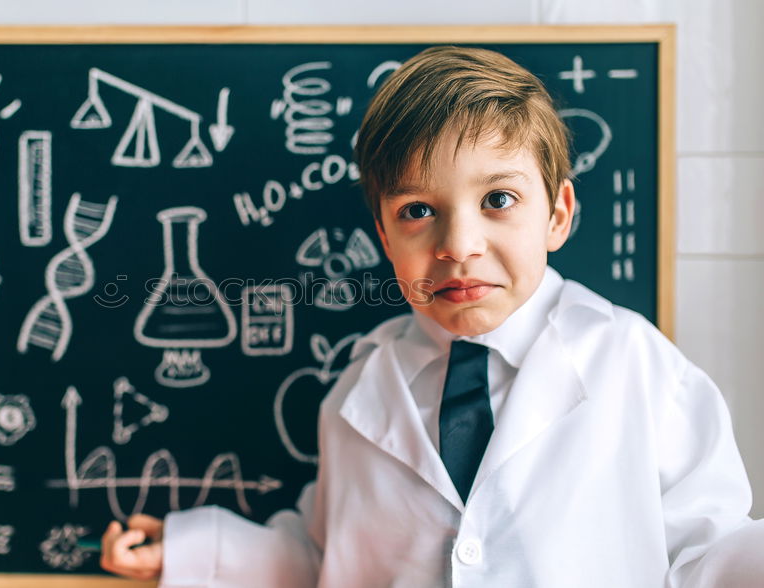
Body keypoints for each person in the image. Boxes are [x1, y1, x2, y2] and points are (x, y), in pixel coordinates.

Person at [100, 46, 764, 587]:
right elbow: (324, 558)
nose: (458, 245)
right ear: (385, 239)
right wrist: (192, 553)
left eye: (498, 199)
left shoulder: (635, 363)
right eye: (418, 212)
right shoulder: (361, 390)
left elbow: (710, 549)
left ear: (558, 214)